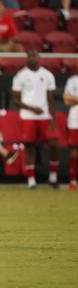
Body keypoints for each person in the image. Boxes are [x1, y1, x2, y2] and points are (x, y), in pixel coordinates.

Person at [12, 50, 58, 189]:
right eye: (30, 55)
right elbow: (15, 99)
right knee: (29, 146)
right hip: (28, 116)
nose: (33, 58)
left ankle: (53, 177)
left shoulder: (48, 75)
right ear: (27, 58)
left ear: (39, 57)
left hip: (44, 116)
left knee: (53, 144)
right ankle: (31, 180)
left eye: (35, 55)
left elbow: (51, 99)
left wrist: (53, 119)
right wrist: (32, 109)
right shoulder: (20, 76)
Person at [63, 60, 78, 191]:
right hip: (75, 119)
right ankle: (73, 181)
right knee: (74, 151)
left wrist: (75, 99)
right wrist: (71, 99)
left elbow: (71, 99)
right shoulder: (72, 81)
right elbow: (67, 100)